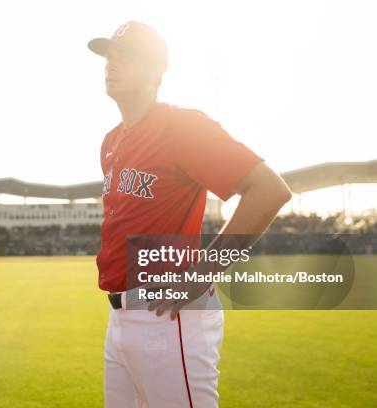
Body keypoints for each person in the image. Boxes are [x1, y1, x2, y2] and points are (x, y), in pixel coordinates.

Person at [88, 22, 291, 407]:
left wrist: (203, 272)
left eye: (125, 56)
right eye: (108, 57)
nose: (110, 65)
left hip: (169, 316)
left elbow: (269, 190)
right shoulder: (112, 141)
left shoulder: (182, 127)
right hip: (120, 316)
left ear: (155, 70)